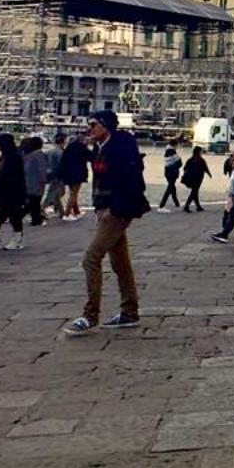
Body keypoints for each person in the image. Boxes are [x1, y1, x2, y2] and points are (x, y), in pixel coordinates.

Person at [65, 111, 149, 335]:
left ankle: (90, 315)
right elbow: (100, 179)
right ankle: (129, 312)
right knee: (120, 263)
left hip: (118, 211)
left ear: (106, 126)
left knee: (91, 258)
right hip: (106, 209)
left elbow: (132, 181)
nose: (89, 128)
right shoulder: (99, 147)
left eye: (93, 124)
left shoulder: (120, 148)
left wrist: (113, 210)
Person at [0, 132, 29, 249]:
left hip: (11, 192)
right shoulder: (6, 156)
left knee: (14, 216)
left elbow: (8, 175)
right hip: (1, 191)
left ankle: (17, 240)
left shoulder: (14, 157)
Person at [57, 132, 90, 218]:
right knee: (73, 194)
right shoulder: (82, 148)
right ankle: (67, 214)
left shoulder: (69, 147)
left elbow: (63, 161)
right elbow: (91, 157)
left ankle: (76, 211)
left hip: (68, 173)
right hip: (77, 173)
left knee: (73, 192)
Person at [21, 135, 51, 225]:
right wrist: (44, 179)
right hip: (37, 181)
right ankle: (33, 218)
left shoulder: (27, 155)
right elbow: (42, 169)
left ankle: (35, 218)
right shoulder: (39, 154)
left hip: (28, 180)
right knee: (35, 201)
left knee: (33, 201)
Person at [182, 145, 210, 212]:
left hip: (191, 178)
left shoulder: (190, 159)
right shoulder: (201, 160)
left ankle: (198, 206)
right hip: (198, 178)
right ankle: (187, 205)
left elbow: (185, 168)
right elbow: (205, 168)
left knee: (195, 192)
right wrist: (209, 174)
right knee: (194, 192)